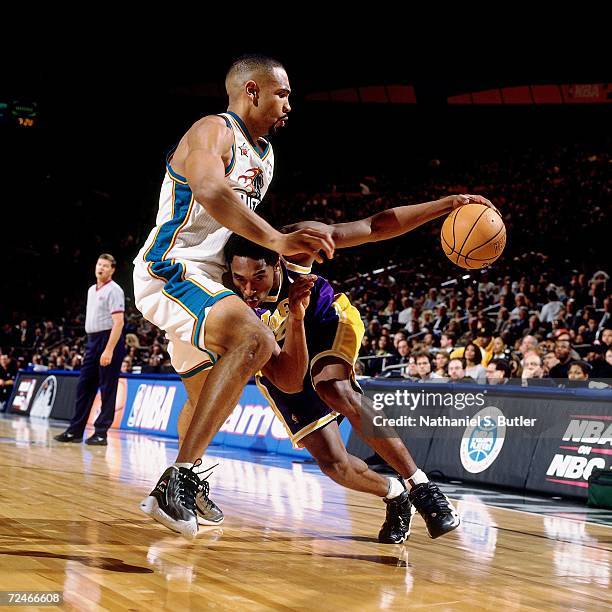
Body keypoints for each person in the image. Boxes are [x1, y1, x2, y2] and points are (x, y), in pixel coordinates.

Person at [134, 55, 335, 538]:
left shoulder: (266, 156)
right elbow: (206, 187)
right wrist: (276, 241)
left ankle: (192, 473)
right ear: (251, 91)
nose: (289, 102)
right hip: (172, 268)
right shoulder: (212, 130)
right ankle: (174, 482)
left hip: (211, 282)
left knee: (204, 395)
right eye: (282, 93)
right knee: (257, 341)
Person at [223, 235, 460, 543]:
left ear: (278, 263)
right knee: (334, 464)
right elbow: (290, 379)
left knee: (334, 388)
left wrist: (445, 206)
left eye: (259, 277)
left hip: (325, 321)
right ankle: (395, 494)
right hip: (282, 360)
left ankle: (421, 486)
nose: (250, 290)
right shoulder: (230, 305)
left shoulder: (293, 251)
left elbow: (370, 226)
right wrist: (293, 317)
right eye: (241, 280)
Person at [54, 254, 125, 446]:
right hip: (92, 341)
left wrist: (109, 350)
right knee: (84, 386)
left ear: (112, 270)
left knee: (107, 388)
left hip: (108, 339)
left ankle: (101, 433)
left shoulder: (114, 290)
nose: (100, 268)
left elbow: (118, 323)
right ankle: (75, 431)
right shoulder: (91, 290)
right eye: (99, 264)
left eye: (105, 265)